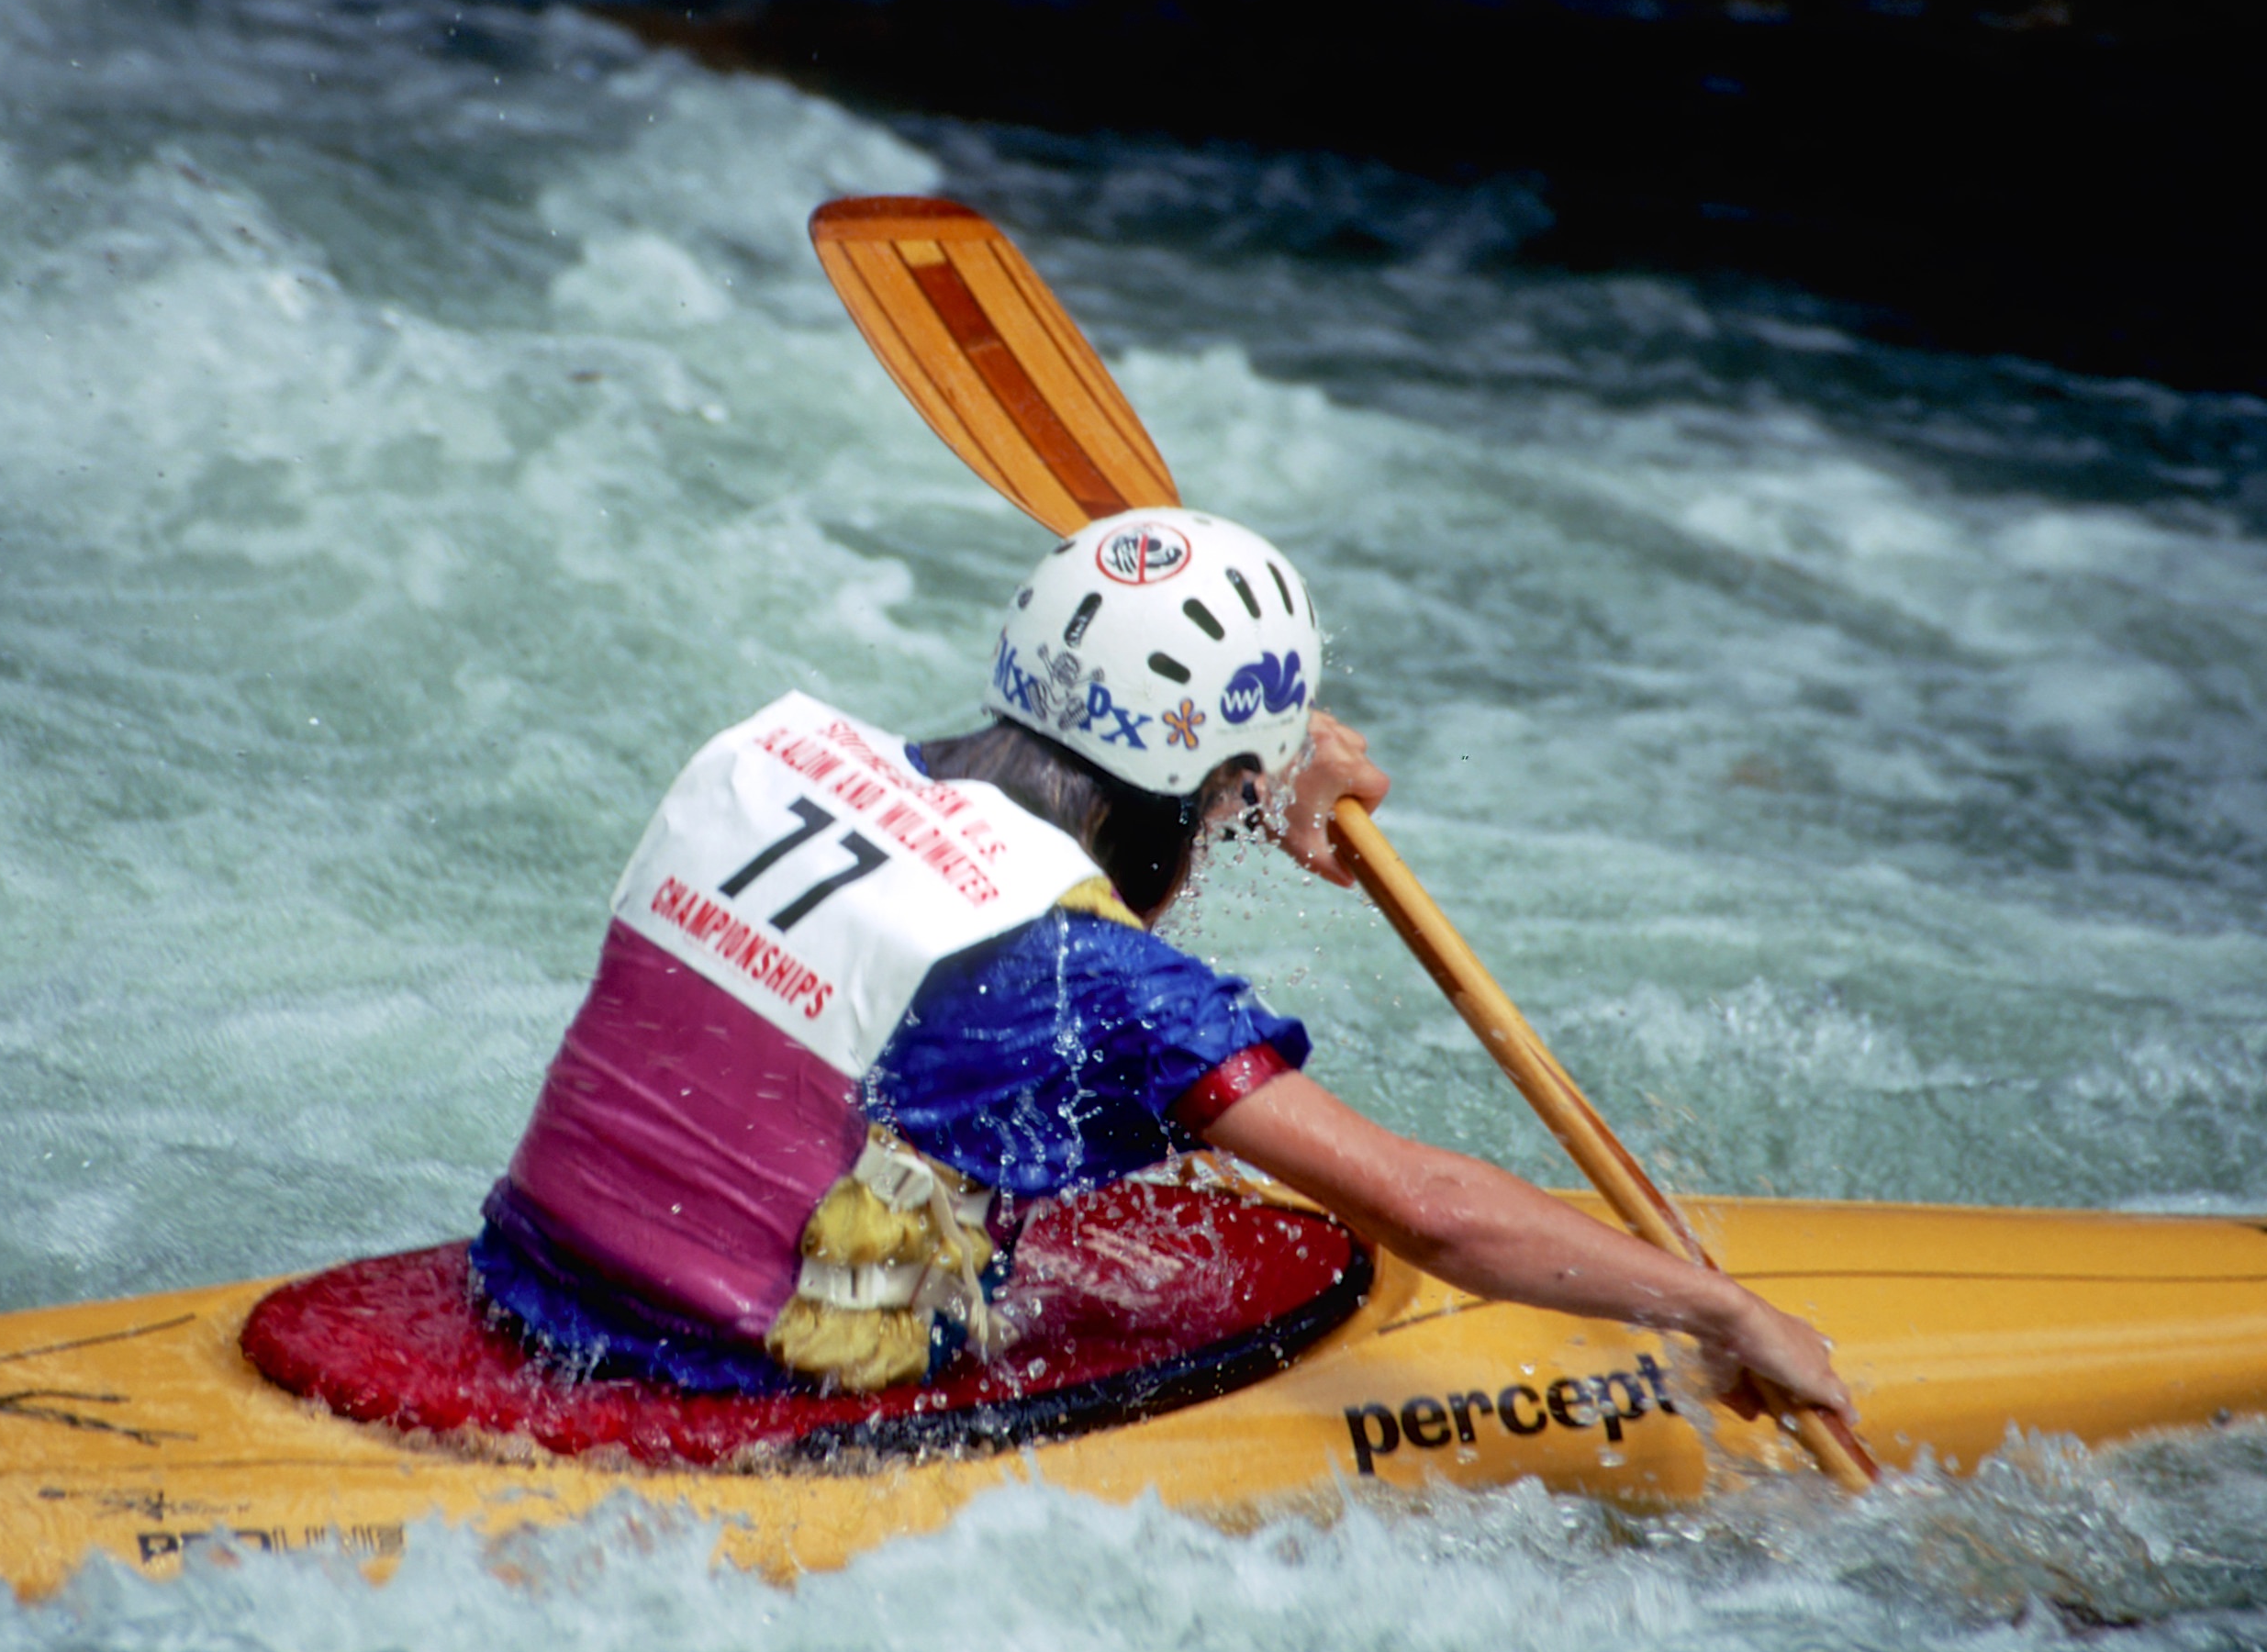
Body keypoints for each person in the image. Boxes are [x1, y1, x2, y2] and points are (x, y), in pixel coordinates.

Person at [472, 508, 1852, 1428]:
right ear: (1213, 783)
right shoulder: (1086, 978)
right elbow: (1428, 1216)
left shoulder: (777, 757)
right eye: (1234, 803)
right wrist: (1721, 1310)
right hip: (735, 1380)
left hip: (530, 1284)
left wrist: (1256, 768)